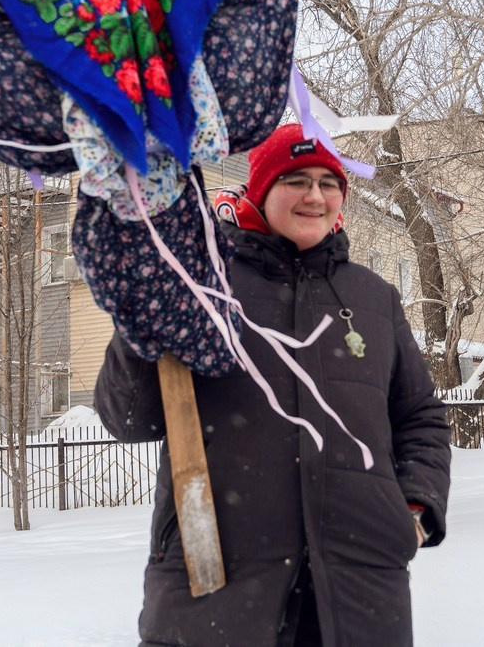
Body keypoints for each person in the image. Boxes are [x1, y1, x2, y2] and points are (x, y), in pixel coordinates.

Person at [95, 123, 452, 646]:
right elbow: (129, 420)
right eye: (296, 180)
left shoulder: (375, 299)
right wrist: (139, 325)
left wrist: (414, 511)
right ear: (261, 190)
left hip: (357, 594)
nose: (315, 195)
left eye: (328, 182)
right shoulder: (202, 285)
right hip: (211, 590)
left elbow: (420, 418)